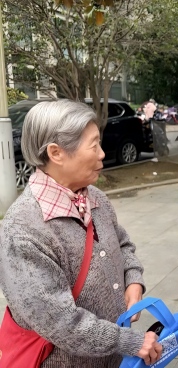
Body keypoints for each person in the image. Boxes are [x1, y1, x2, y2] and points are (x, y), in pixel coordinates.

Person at [0, 100, 162, 367]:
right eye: (94, 145)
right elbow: (61, 322)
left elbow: (123, 244)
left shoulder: (95, 198)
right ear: (56, 153)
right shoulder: (23, 230)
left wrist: (133, 279)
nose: (102, 153)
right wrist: (129, 341)